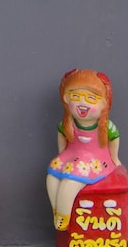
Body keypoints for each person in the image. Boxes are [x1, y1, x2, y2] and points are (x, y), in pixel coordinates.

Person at [46, 69, 120, 232]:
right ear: (66, 99)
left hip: (95, 160)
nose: (82, 103)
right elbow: (61, 135)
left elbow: (114, 138)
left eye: (90, 98)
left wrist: (114, 158)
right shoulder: (68, 124)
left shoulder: (105, 126)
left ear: (103, 103)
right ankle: (57, 210)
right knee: (52, 177)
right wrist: (62, 153)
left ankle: (63, 216)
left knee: (69, 183)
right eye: (75, 97)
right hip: (72, 155)